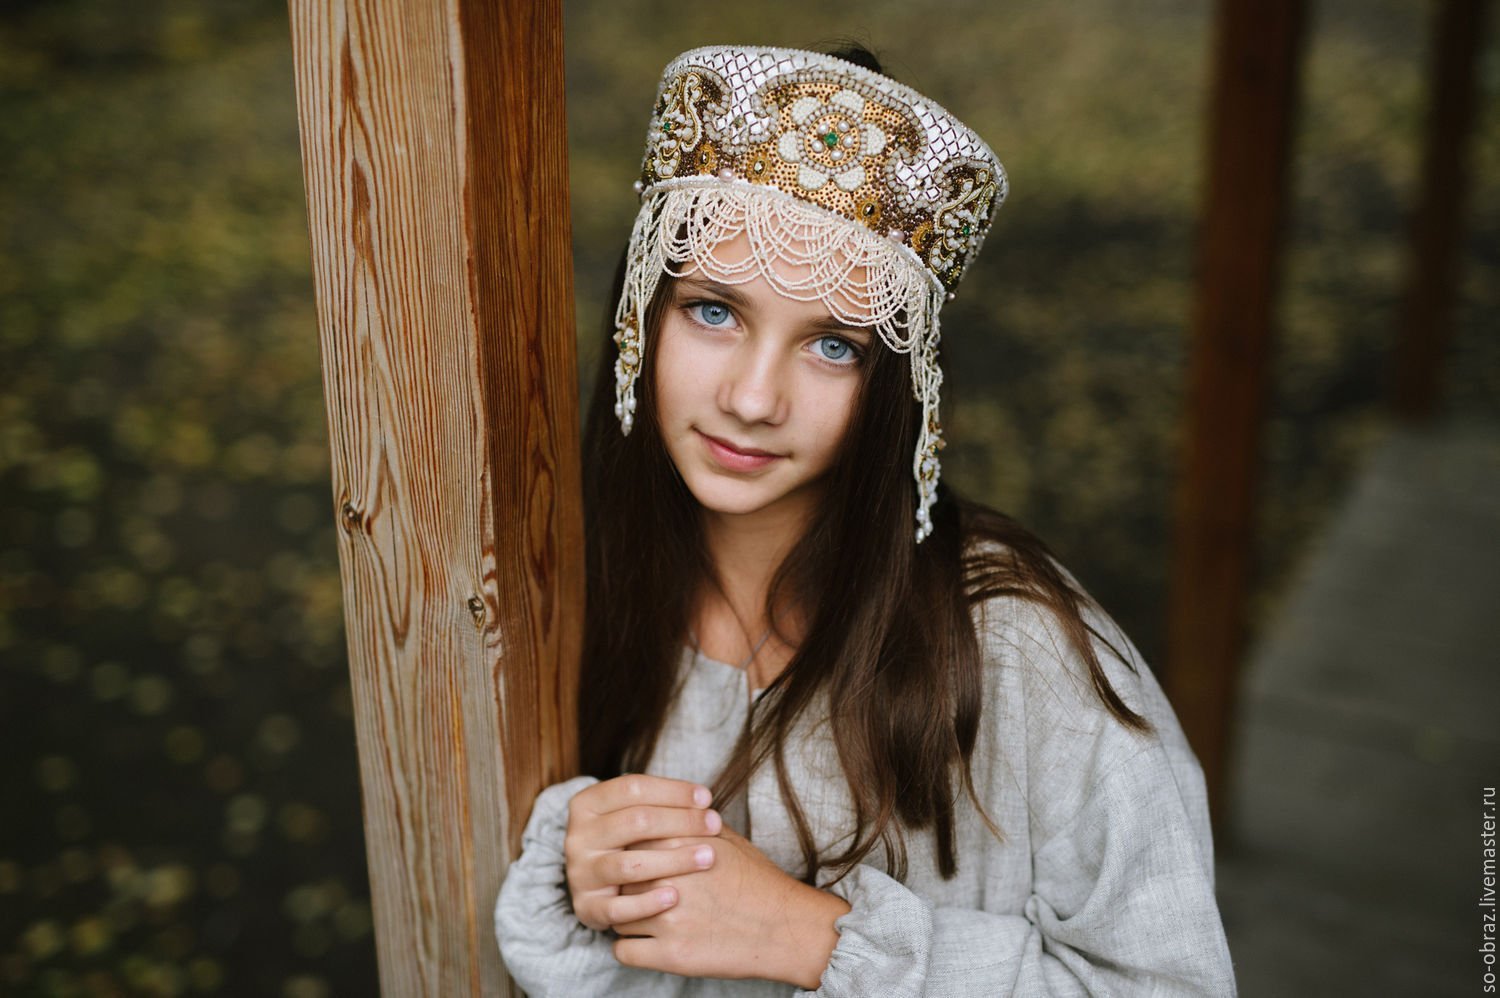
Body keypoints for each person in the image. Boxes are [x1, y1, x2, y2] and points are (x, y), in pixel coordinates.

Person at [495, 44, 1236, 996]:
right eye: (714, 312)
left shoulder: (1019, 648)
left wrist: (816, 937)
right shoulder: (574, 575)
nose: (752, 399)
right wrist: (592, 884)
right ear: (640, 315)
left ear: (900, 387)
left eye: (834, 347)